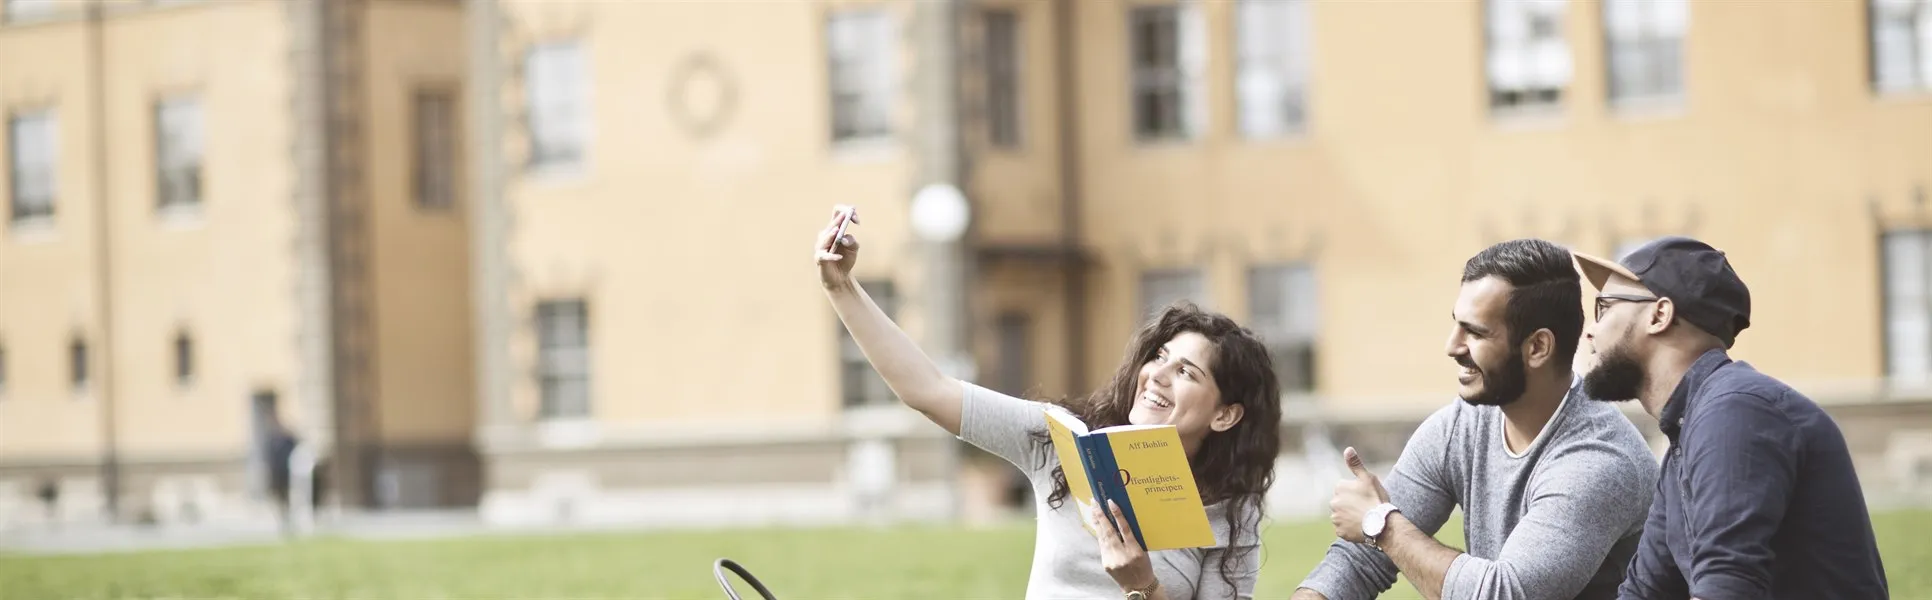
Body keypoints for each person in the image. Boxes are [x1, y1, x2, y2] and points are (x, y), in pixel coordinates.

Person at [812, 205, 1283, 600]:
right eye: (1159, 357)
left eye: (1185, 372)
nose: (1156, 375)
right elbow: (927, 389)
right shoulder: (1060, 441)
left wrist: (1143, 587)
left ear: (1225, 415)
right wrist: (841, 287)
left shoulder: (1231, 511)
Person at [1295, 239, 1658, 600]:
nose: (1452, 346)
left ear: (1537, 348)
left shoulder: (1601, 459)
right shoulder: (1462, 426)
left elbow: (1505, 594)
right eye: (1457, 325)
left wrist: (1383, 525)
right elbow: (1359, 562)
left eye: (1476, 332)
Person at [1573, 237, 1888, 600]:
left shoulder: (1735, 413)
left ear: (1659, 315)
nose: (1590, 330)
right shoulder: (1689, 428)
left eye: (1605, 307)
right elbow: (1645, 590)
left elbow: (1727, 585)